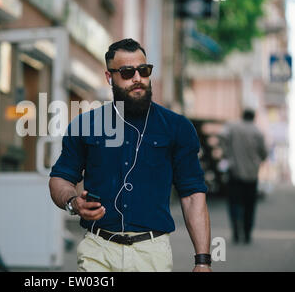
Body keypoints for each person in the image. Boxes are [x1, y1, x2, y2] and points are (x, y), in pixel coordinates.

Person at [48, 38, 212, 272]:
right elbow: (60, 178)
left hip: (152, 252)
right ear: (109, 78)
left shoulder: (177, 127)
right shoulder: (86, 125)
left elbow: (193, 195)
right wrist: (73, 203)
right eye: (127, 72)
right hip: (98, 248)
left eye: (143, 70)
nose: (137, 78)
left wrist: (202, 260)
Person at [220, 108, 267, 244]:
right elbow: (264, 153)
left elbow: (222, 136)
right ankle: (247, 233)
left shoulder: (233, 126)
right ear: (253, 117)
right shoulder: (257, 132)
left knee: (234, 202)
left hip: (234, 171)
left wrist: (227, 154)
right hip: (252, 174)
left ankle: (235, 230)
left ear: (242, 116)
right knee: (249, 205)